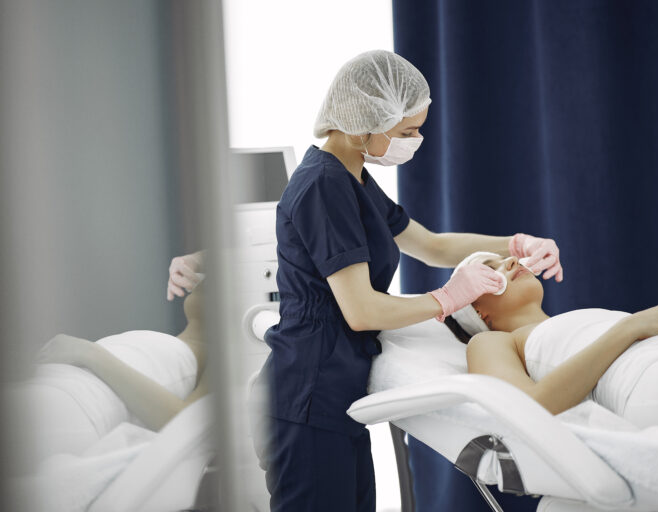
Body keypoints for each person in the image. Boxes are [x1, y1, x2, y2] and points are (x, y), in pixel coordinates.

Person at [167, 50, 565, 511]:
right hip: (307, 398)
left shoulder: (352, 177)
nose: (416, 141)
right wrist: (451, 296)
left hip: (336, 397)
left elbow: (432, 246)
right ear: (364, 124)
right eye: (406, 132)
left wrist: (516, 244)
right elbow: (362, 312)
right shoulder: (323, 185)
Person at [447, 251, 658, 446]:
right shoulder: (488, 342)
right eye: (492, 270)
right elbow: (528, 410)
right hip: (654, 383)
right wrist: (631, 327)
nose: (513, 261)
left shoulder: (570, 324)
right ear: (477, 312)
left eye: (505, 258)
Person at [6, 282, 208, 472]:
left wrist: (89, 353)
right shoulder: (170, 343)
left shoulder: (226, 356)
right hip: (61, 389)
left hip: (82, 407)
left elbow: (183, 423)